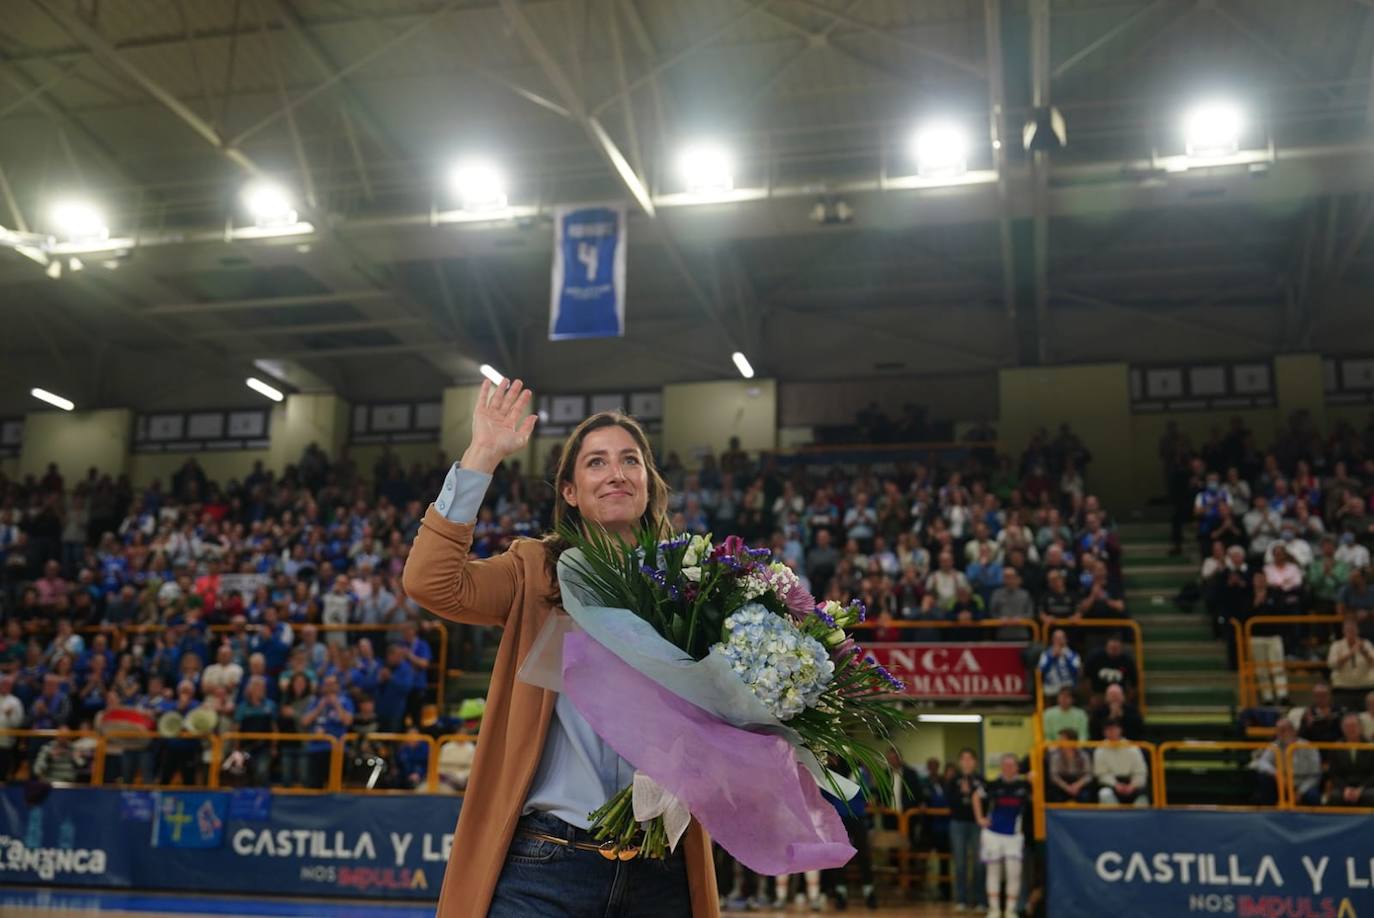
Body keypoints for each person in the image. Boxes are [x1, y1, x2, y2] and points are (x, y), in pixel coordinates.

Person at [403, 380, 714, 916]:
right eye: (596, 463)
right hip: (545, 870)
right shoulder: (534, 572)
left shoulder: (694, 588)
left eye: (630, 461)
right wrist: (483, 455)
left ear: (647, 482)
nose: (616, 473)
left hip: (660, 871)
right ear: (569, 491)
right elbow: (431, 583)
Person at [973, 753, 1029, 918]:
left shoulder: (1025, 785)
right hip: (992, 835)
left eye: (1012, 765)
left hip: (1014, 835)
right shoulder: (993, 785)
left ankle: (1010, 910)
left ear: (1017, 767)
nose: (1008, 768)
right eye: (1005, 765)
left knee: (1014, 873)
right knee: (993, 872)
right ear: (1001, 767)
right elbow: (976, 796)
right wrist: (980, 819)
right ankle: (994, 910)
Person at [945, 747, 987, 913]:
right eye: (964, 759)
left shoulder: (981, 780)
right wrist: (961, 794)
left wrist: (970, 795)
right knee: (960, 863)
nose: (967, 762)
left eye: (970, 759)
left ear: (975, 762)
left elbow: (986, 802)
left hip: (976, 826)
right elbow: (949, 802)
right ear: (960, 762)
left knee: (979, 864)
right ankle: (961, 899)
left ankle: (979, 900)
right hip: (958, 824)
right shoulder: (952, 781)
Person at [1252, 718, 1319, 806]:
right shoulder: (1275, 746)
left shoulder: (1308, 747)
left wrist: (1300, 792)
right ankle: (1269, 814)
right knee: (1264, 779)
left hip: (1301, 784)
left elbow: (1315, 774)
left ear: (1293, 731)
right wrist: (1276, 774)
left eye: (1283, 730)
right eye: (1278, 731)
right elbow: (1262, 763)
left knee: (1312, 795)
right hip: (1281, 784)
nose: (1280, 734)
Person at [1092, 719, 1148, 807]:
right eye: (1108, 730)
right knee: (1104, 793)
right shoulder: (1100, 750)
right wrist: (1116, 785)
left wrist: (1132, 786)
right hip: (1111, 784)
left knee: (1143, 797)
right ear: (1104, 732)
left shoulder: (1132, 748)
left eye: (1114, 729)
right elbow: (1101, 774)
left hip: (1131, 783)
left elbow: (1140, 772)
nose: (1111, 732)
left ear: (1120, 730)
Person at [1325, 714, 1374, 807]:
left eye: (1354, 726)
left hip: (1367, 786)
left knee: (1371, 796)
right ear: (1342, 729)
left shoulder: (1371, 746)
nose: (1351, 729)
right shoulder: (1335, 747)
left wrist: (1361, 789)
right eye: (1347, 726)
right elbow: (1334, 773)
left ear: (1360, 727)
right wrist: (1345, 789)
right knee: (1335, 796)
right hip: (1343, 786)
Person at [1328, 617, 1374, 710]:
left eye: (1353, 630)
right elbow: (1332, 664)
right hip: (1343, 689)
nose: (1351, 632)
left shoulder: (1366, 644)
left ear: (1358, 631)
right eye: (1348, 630)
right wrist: (1350, 653)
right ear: (1343, 631)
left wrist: (1365, 653)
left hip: (1365, 688)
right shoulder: (1337, 645)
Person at [1084, 635, 1138, 701]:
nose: (1114, 651)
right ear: (1106, 647)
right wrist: (1091, 697)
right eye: (1111, 648)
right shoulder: (1095, 657)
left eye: (1116, 648)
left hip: (1119, 694)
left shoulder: (1127, 660)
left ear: (1121, 648)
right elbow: (1086, 679)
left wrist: (1127, 699)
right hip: (1099, 694)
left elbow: (1134, 683)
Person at [1047, 729, 1094, 803]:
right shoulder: (1055, 755)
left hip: (1079, 783)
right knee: (1053, 794)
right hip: (1062, 784)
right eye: (1059, 739)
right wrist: (1066, 787)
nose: (1059, 742)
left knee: (1087, 795)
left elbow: (1088, 775)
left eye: (1063, 739)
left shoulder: (1083, 755)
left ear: (1072, 741)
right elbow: (1054, 775)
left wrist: (1077, 786)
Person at [1036, 630, 1081, 698]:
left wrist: (1066, 658)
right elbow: (1041, 671)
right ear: (1052, 640)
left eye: (1061, 638)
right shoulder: (1046, 654)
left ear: (1066, 639)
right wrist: (1052, 657)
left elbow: (1076, 671)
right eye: (1056, 638)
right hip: (1051, 686)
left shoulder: (1073, 655)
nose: (1059, 640)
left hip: (1068, 686)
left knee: (1068, 692)